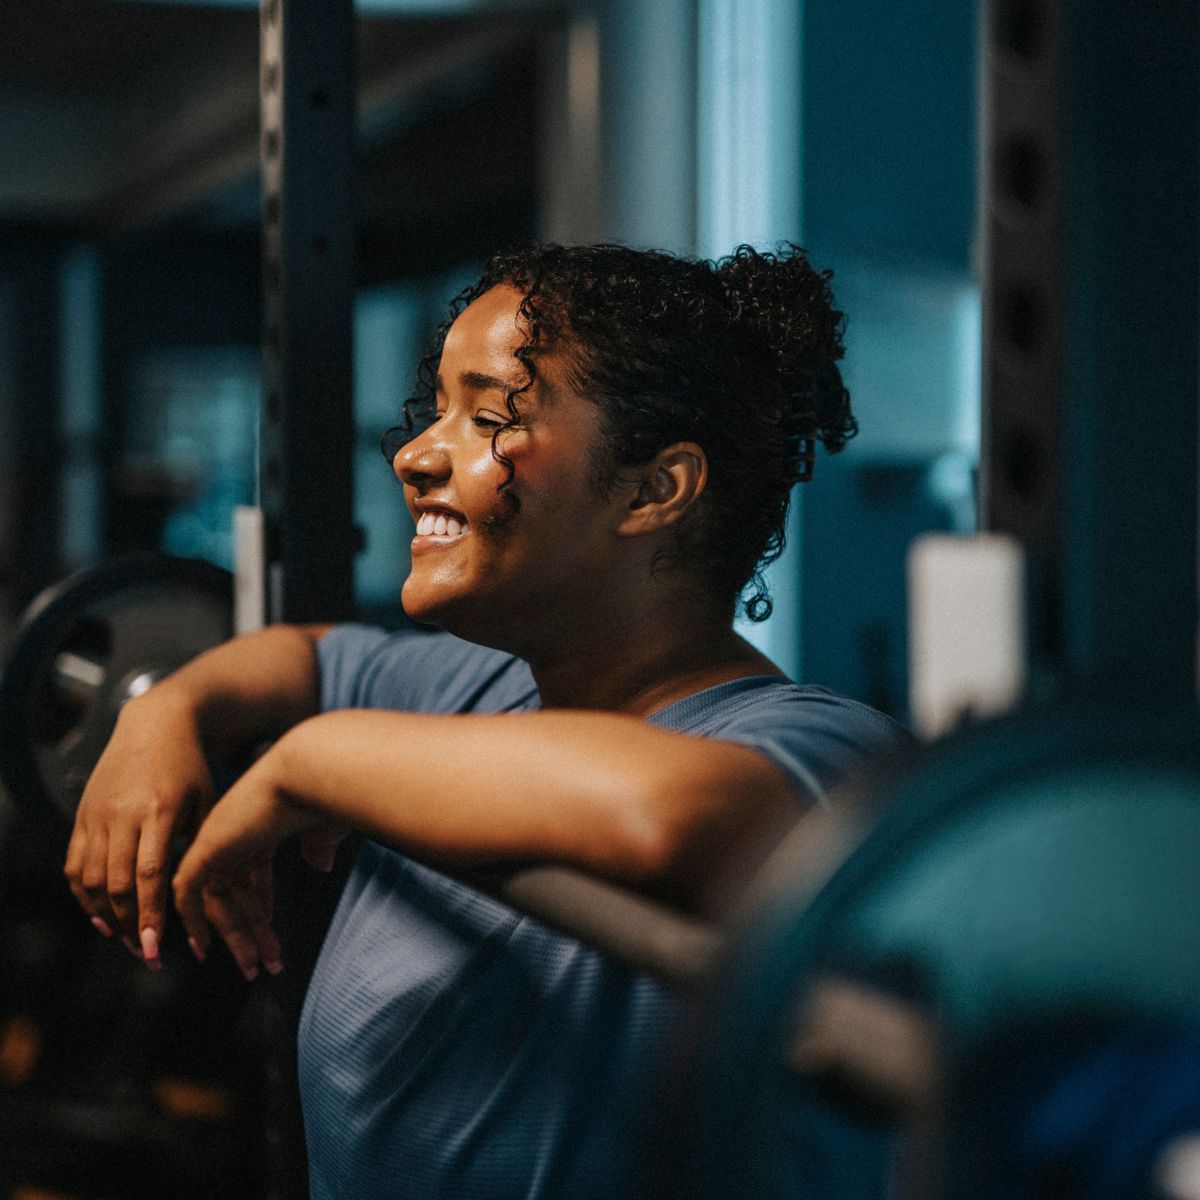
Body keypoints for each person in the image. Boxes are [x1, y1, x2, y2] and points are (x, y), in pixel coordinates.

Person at [64, 243, 910, 1198]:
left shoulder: (819, 744)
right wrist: (166, 713)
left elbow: (681, 813)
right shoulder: (479, 686)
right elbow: (303, 658)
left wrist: (313, 760)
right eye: (436, 411)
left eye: (487, 414)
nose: (415, 453)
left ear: (654, 489)